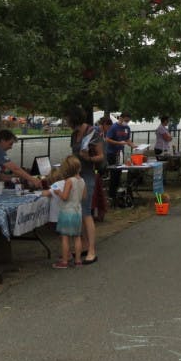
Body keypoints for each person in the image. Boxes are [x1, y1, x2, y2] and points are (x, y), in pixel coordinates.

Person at [71, 109, 101, 264]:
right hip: (75, 176)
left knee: (86, 211)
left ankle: (92, 250)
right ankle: (84, 244)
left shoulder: (93, 132)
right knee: (78, 211)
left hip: (88, 175)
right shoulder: (74, 134)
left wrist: (87, 157)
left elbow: (101, 156)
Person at [44, 155, 85, 268]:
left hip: (67, 211)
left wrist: (58, 193)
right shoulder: (82, 180)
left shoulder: (69, 181)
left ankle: (64, 261)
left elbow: (65, 197)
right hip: (78, 211)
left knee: (65, 237)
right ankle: (78, 260)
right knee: (77, 237)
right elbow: (84, 196)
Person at [105, 113, 134, 201]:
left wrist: (133, 145)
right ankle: (112, 195)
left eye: (128, 121)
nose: (126, 122)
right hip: (112, 153)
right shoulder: (114, 127)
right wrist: (118, 143)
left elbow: (127, 139)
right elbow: (108, 139)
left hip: (121, 152)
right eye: (125, 120)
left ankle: (117, 193)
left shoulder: (127, 128)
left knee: (119, 173)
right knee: (114, 173)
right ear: (120, 118)